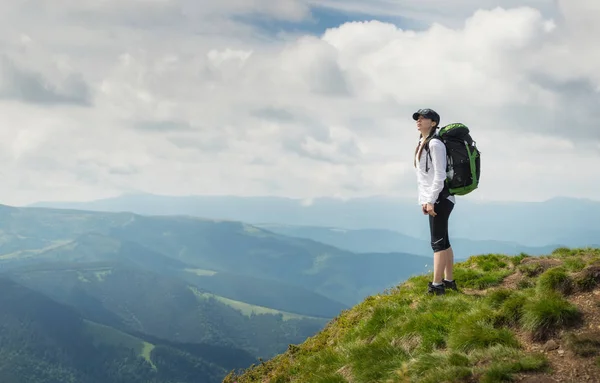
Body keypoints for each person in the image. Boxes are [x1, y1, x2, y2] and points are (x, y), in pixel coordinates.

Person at [412, 108, 458, 295]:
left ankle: (437, 286)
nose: (419, 120)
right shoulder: (422, 142)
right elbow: (424, 177)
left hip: (440, 198)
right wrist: (424, 200)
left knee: (437, 243)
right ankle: (449, 281)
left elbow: (439, 176)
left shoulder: (435, 144)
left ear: (433, 123)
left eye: (424, 118)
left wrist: (430, 200)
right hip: (436, 198)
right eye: (418, 118)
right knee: (444, 242)